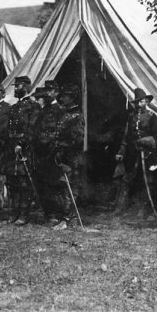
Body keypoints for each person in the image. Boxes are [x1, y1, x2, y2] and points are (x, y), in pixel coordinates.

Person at [114, 87, 157, 217]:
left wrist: (146, 141)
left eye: (142, 102)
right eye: (137, 102)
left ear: (146, 102)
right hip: (132, 153)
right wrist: (121, 151)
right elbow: (126, 137)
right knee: (127, 179)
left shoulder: (152, 117)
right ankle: (121, 208)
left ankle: (145, 209)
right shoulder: (131, 117)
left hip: (148, 154)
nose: (139, 104)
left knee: (147, 179)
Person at [0, 76, 40, 225]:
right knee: (12, 182)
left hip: (24, 149)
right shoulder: (14, 107)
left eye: (19, 86)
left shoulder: (33, 107)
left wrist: (22, 144)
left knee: (24, 183)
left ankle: (24, 214)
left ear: (27, 87)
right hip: (11, 148)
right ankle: (14, 213)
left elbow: (32, 129)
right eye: (15, 86)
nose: (16, 89)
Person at [32, 80, 66, 226]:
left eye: (51, 91)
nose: (48, 93)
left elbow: (61, 133)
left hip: (52, 153)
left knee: (53, 184)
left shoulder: (61, 110)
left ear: (56, 93)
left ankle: (56, 215)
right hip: (40, 153)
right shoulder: (42, 110)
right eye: (46, 90)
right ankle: (47, 213)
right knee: (42, 184)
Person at [53, 84, 86, 230]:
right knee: (62, 188)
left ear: (72, 98)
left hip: (72, 158)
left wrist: (65, 156)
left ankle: (68, 219)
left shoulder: (77, 116)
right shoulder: (64, 114)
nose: (62, 98)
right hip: (62, 156)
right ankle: (64, 217)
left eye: (66, 96)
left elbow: (77, 140)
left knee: (70, 189)